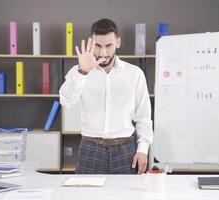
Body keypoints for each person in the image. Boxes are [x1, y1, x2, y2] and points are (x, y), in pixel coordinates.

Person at [59, 18, 153, 174]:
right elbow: (66, 100)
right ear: (91, 44)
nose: (103, 53)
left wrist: (143, 149)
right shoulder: (80, 71)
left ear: (118, 42)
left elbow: (143, 117)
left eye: (108, 46)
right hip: (90, 148)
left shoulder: (134, 74)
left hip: (125, 149)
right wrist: (82, 72)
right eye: (98, 46)